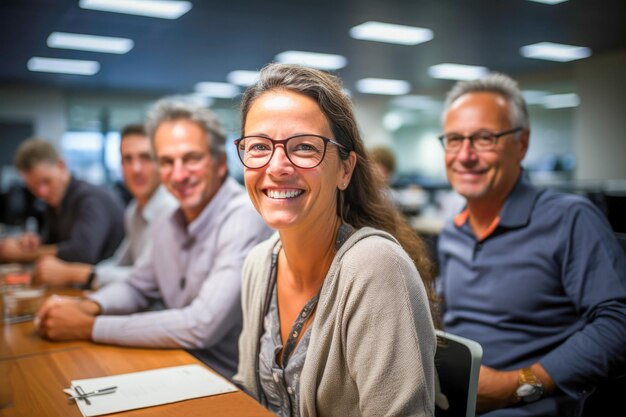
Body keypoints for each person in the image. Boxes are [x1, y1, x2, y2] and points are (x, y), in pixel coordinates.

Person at [233, 63, 437, 417]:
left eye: (304, 148)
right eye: (259, 146)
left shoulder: (376, 269)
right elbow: (250, 395)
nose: (277, 166)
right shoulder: (258, 263)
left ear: (345, 169)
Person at [35, 98, 272, 378]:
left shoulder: (243, 216)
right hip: (178, 362)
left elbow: (201, 325)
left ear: (220, 164)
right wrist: (87, 306)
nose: (179, 174)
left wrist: (88, 326)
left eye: (191, 158)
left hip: (230, 382)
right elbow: (137, 287)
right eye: (167, 162)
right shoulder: (169, 220)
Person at [436, 73, 626, 417]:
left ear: (521, 144)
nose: (465, 155)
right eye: (453, 139)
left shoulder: (570, 219)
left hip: (528, 405)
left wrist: (517, 385)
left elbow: (619, 322)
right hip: (455, 399)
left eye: (483, 139)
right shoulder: (453, 231)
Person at [33, 124, 177, 288]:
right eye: (127, 159)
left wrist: (77, 273)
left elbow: (149, 279)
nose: (135, 169)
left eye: (145, 157)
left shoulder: (170, 209)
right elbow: (120, 263)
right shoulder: (134, 210)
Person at [0, 139, 125, 264]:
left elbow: (81, 252)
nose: (42, 192)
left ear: (61, 165)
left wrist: (22, 254)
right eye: (34, 187)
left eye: (46, 181)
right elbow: (52, 243)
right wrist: (36, 241)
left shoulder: (92, 199)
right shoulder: (55, 203)